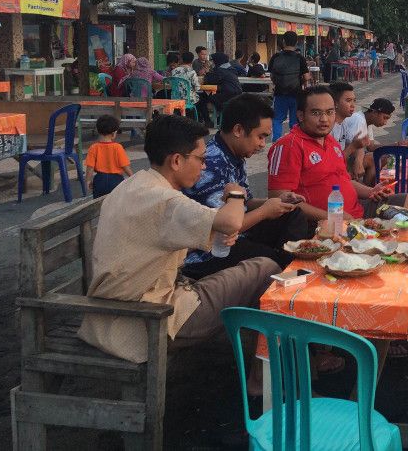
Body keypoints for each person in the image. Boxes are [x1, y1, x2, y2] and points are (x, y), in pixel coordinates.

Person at [78, 114, 279, 365]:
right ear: (176, 160)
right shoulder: (165, 200)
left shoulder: (135, 184)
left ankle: (259, 363)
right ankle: (263, 376)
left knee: (252, 266)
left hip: (113, 315)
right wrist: (236, 193)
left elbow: (201, 229)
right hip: (149, 320)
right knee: (267, 269)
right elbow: (231, 222)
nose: (204, 166)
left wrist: (218, 231)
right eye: (200, 159)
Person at [182, 93, 310, 279]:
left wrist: (276, 201)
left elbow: (246, 202)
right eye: (260, 137)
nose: (262, 145)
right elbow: (222, 228)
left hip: (236, 234)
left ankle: (288, 268)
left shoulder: (234, 154)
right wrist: (265, 211)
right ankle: (283, 279)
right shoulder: (211, 161)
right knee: (271, 260)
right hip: (208, 251)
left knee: (293, 214)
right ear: (238, 130)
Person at [266, 86, 408, 222]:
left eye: (329, 112)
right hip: (326, 223)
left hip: (358, 211)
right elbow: (279, 199)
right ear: (300, 115)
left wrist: (370, 191)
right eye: (316, 113)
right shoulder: (289, 146)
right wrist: (334, 217)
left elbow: (344, 180)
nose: (324, 119)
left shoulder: (331, 142)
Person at [341, 98, 396, 185]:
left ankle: (368, 187)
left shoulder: (368, 122)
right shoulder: (359, 120)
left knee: (385, 156)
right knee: (373, 158)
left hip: (348, 155)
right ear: (374, 112)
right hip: (343, 157)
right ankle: (367, 189)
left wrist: (396, 145)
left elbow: (371, 146)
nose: (385, 122)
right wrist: (358, 162)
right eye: (384, 118)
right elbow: (355, 146)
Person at [269, 32, 310, 141]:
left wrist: (277, 82)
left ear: (283, 41)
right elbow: (306, 77)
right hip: (295, 94)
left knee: (277, 119)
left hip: (279, 93)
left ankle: (276, 142)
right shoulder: (300, 58)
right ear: (296, 43)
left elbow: (272, 76)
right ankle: (293, 142)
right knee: (294, 121)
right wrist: (300, 81)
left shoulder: (276, 57)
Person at [84, 115, 132, 198]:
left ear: (98, 131)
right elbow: (125, 166)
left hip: (99, 180)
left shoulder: (93, 147)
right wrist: (133, 177)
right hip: (116, 180)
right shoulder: (118, 147)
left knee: (99, 204)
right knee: (116, 203)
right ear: (113, 133)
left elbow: (90, 167)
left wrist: (88, 180)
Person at [201, 52, 243, 126]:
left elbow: (210, 81)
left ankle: (208, 121)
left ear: (217, 61)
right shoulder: (231, 68)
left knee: (202, 98)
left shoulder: (220, 70)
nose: (212, 62)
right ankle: (219, 117)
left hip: (227, 95)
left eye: (213, 61)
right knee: (210, 96)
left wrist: (207, 72)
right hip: (237, 94)